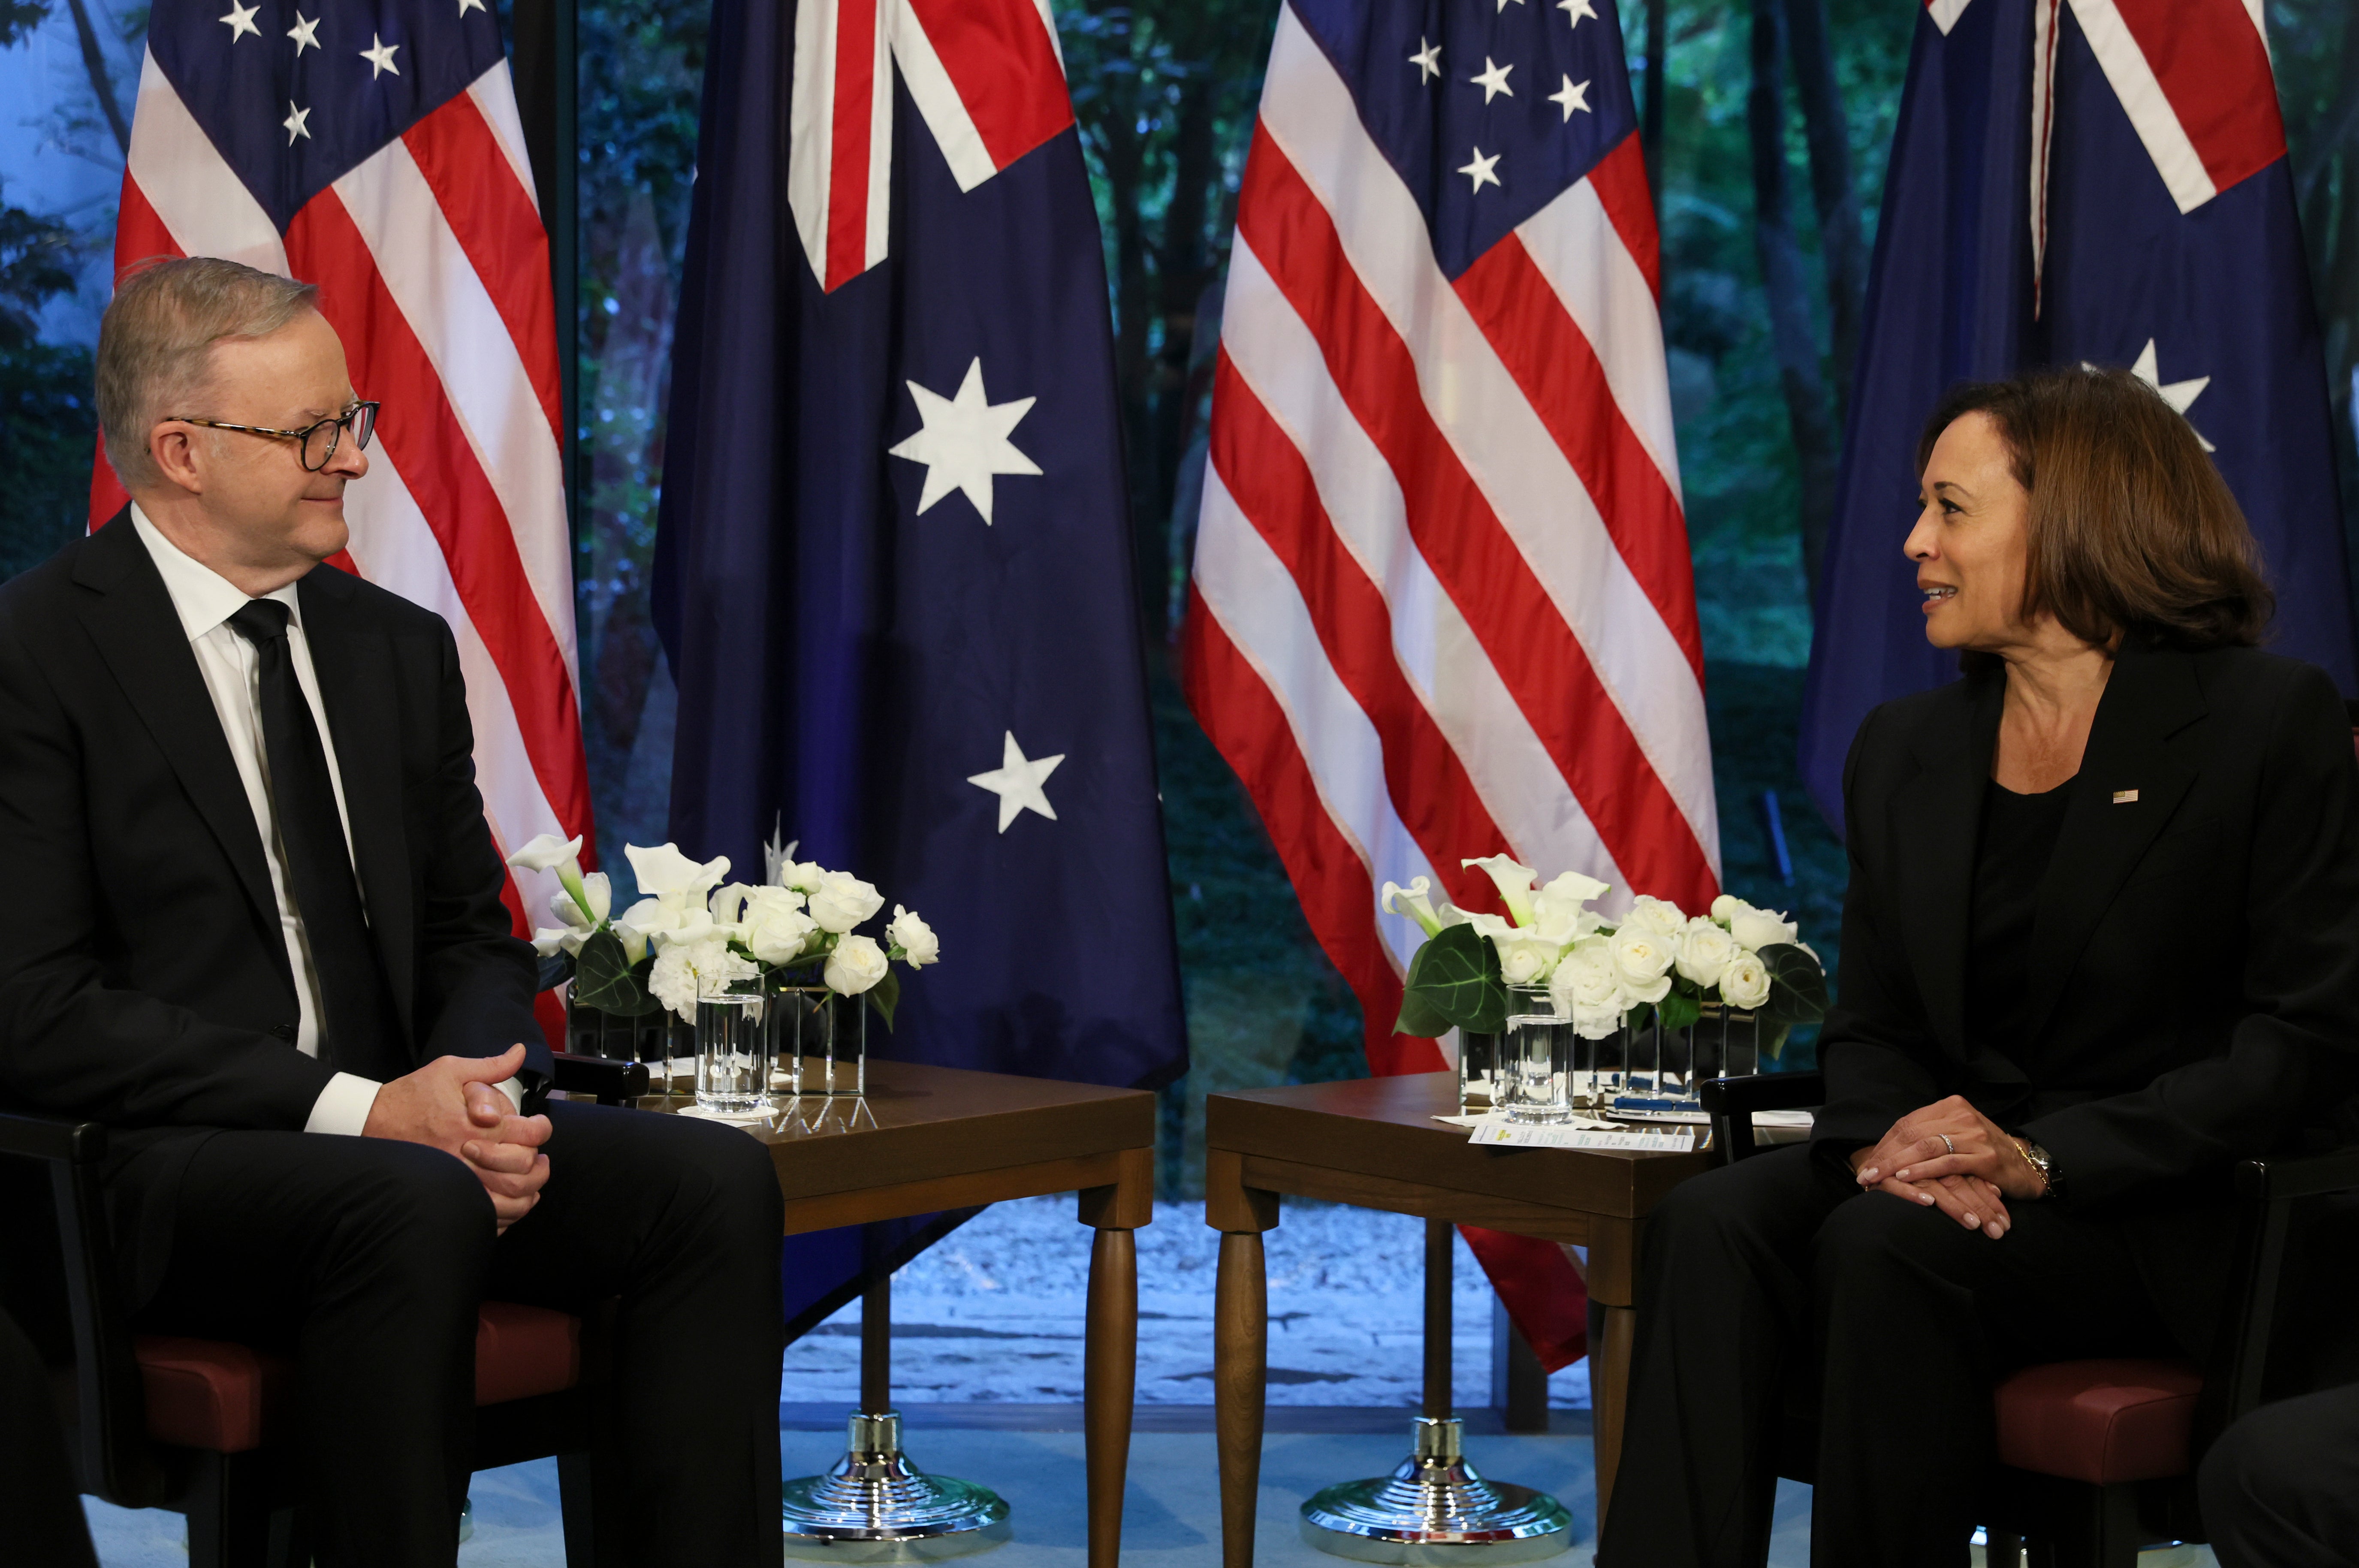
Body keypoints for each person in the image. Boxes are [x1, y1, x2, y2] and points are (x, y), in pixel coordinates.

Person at [0, 256, 786, 1568]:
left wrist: (474, 1090)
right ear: (179, 450)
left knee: (706, 1182)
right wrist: (370, 1113)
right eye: (309, 431)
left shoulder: (394, 648)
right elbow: (35, 1008)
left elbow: (473, 931)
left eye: (348, 421)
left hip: (401, 1134)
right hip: (145, 1169)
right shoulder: (35, 658)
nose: (351, 460)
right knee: (405, 1201)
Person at [1595, 366, 2359, 1567]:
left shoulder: (2265, 722)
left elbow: (2301, 1042)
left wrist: (2042, 1158)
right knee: (1705, 1222)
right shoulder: (1906, 747)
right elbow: (1875, 1025)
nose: (1913, 543)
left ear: (2071, 522)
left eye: (1950, 509)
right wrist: (1892, 1148)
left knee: (1879, 1247)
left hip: (2155, 1206)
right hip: (1946, 1173)